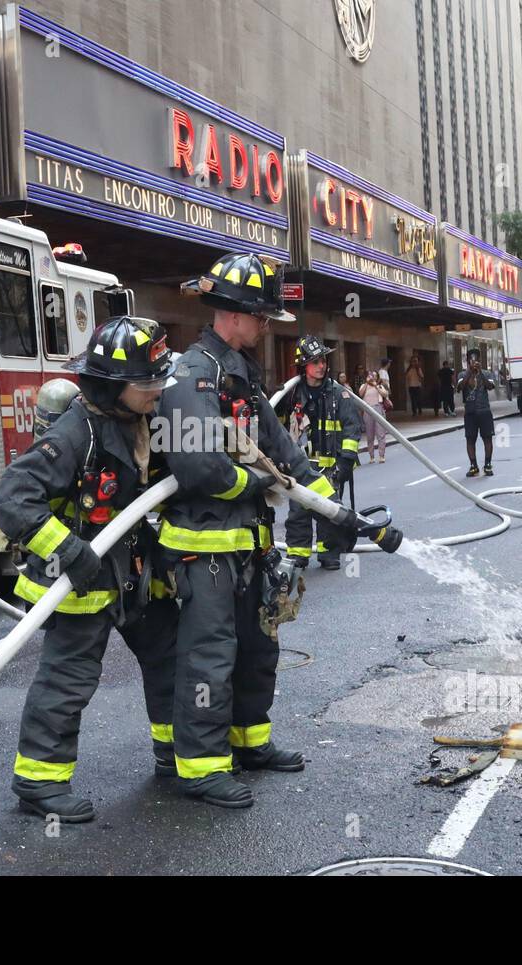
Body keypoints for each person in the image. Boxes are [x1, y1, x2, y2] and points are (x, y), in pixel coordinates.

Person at [162, 251, 339, 809]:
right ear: (233, 313)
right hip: (204, 549)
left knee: (257, 648)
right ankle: (202, 768)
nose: (267, 326)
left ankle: (249, 743)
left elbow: (283, 450)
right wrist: (260, 483)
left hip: (249, 545)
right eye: (262, 316)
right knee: (209, 658)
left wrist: (337, 512)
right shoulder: (190, 377)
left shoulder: (239, 374)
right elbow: (193, 467)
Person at [0, 317, 179, 822]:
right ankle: (39, 783)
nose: (156, 389)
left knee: (169, 659)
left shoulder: (139, 421)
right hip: (76, 585)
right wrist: (71, 550)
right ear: (112, 385)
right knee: (68, 682)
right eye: (147, 382)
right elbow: (14, 499)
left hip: (132, 575)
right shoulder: (77, 432)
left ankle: (175, 756)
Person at [276, 335, 363, 571]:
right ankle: (298, 554)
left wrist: (346, 460)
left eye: (323, 361)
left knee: (330, 510)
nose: (322, 366)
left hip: (330, 467)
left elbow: (352, 427)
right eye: (315, 362)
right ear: (303, 366)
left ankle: (329, 553)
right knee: (298, 512)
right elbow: (277, 428)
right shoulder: (291, 394)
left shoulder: (339, 393)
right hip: (299, 466)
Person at [457, 349, 496, 477]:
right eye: (472, 359)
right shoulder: (462, 374)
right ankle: (473, 465)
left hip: (484, 410)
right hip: (470, 412)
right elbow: (460, 388)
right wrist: (470, 372)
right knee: (470, 439)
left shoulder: (486, 373)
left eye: (476, 359)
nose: (474, 361)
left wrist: (480, 373)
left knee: (487, 438)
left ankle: (488, 464)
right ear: (468, 360)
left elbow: (490, 387)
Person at [358, 371, 389, 463]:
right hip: (368, 410)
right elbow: (360, 394)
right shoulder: (364, 386)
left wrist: (376, 385)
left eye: (375, 376)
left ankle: (381, 455)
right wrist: (367, 383)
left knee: (380, 433)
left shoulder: (379, 386)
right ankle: (371, 456)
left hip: (378, 408)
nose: (372, 377)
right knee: (369, 434)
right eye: (371, 376)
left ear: (377, 378)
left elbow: (385, 394)